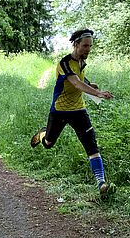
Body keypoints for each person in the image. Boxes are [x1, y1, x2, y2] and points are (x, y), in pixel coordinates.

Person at [30, 29, 114, 196]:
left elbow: (80, 79)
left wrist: (91, 85)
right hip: (60, 111)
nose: (88, 49)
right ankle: (42, 135)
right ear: (75, 44)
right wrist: (96, 93)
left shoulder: (82, 62)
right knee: (48, 144)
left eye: (90, 46)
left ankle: (101, 183)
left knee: (91, 146)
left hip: (79, 111)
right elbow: (75, 82)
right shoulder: (64, 63)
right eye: (84, 46)